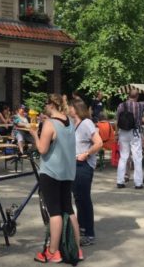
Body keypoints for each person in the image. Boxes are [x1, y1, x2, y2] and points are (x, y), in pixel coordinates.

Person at [29, 93, 82, 263]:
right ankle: (77, 249)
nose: (44, 106)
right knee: (69, 209)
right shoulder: (70, 122)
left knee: (55, 212)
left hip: (51, 172)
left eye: (46, 103)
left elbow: (42, 149)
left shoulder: (49, 124)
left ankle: (53, 251)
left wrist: (34, 134)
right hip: (67, 172)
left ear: (51, 105)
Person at [69, 99, 103, 246]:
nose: (67, 109)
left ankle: (89, 233)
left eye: (69, 107)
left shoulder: (86, 123)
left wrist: (87, 154)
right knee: (78, 198)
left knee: (84, 199)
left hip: (83, 165)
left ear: (75, 109)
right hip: (74, 164)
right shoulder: (72, 124)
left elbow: (99, 142)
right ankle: (81, 229)